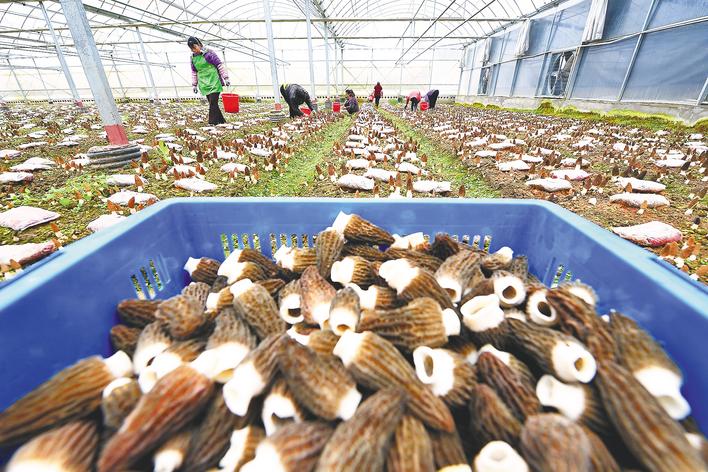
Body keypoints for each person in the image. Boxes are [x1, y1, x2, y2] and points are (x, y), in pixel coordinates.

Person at [188, 37, 230, 125]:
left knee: (213, 102)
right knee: (212, 103)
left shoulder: (209, 53)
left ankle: (212, 122)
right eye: (191, 48)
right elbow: (194, 72)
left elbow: (219, 65)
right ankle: (221, 121)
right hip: (204, 83)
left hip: (214, 80)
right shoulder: (192, 58)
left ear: (199, 44)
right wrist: (194, 85)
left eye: (194, 47)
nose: (193, 50)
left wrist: (226, 78)